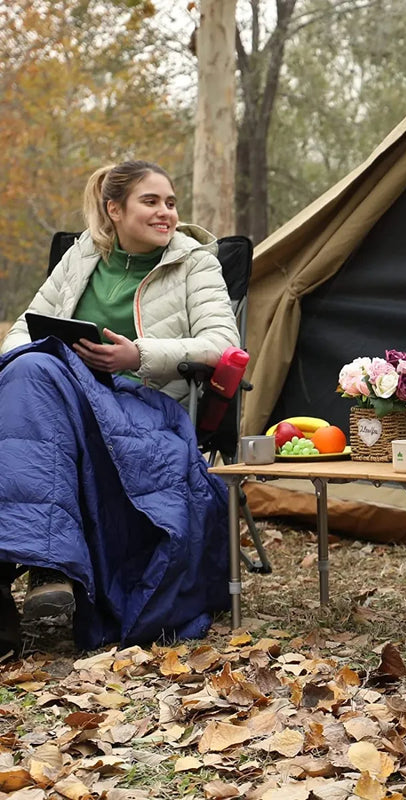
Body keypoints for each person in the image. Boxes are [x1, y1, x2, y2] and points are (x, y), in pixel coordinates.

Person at [0, 160, 240, 660]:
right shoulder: (82, 255)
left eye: (170, 202)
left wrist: (140, 354)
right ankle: (38, 569)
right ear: (114, 209)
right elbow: (25, 327)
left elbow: (223, 344)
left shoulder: (195, 262)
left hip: (144, 405)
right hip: (65, 402)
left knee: (33, 377)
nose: (166, 213)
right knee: (29, 369)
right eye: (151, 202)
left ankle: (45, 566)